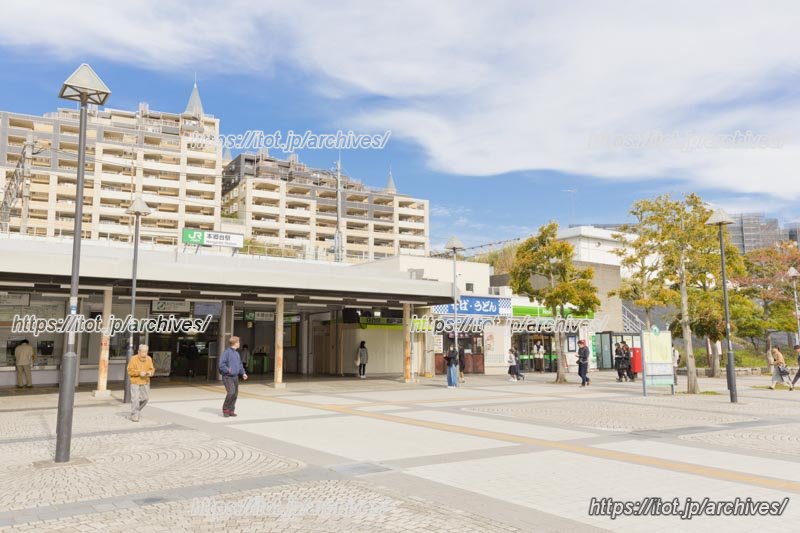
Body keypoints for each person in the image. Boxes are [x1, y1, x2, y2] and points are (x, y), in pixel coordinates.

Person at [219, 336, 248, 417]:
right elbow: (221, 365)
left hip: (235, 377)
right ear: (235, 343)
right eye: (238, 342)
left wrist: (243, 373)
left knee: (235, 394)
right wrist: (229, 370)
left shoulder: (236, 353)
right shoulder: (226, 353)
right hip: (227, 377)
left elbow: (240, 364)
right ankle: (225, 409)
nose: (239, 343)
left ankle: (231, 410)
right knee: (231, 392)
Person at [127, 344, 155, 422]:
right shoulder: (133, 359)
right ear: (139, 351)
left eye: (146, 352)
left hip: (145, 381)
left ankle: (136, 410)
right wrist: (139, 373)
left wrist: (150, 372)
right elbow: (130, 371)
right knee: (135, 399)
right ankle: (134, 414)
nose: (144, 353)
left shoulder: (149, 359)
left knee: (146, 399)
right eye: (143, 352)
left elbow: (152, 369)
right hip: (135, 381)